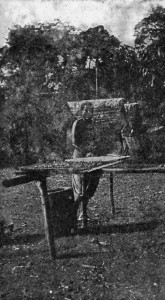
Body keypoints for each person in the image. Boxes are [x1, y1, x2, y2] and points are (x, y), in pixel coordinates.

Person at [71, 102, 101, 226]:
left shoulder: (94, 124)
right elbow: (75, 142)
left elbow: (98, 139)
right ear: (81, 111)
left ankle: (83, 214)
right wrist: (86, 152)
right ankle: (74, 215)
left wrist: (94, 150)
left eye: (91, 110)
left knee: (92, 183)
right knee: (80, 187)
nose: (89, 112)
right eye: (86, 110)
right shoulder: (78, 123)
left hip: (92, 157)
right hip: (80, 157)